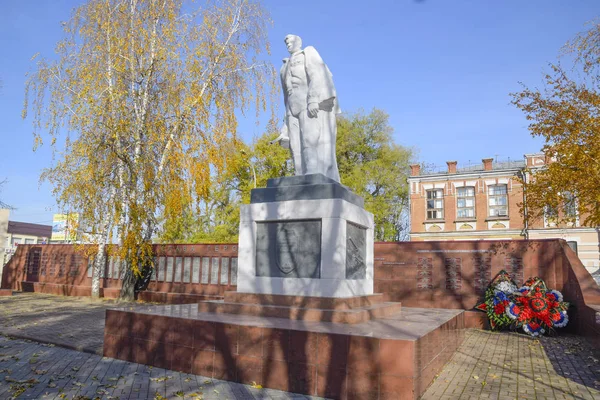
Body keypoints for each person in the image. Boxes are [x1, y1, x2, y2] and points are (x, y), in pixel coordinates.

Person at [272, 34, 341, 182]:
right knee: (295, 144)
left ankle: (312, 171)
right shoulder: (284, 66)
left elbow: (316, 75)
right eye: (286, 43)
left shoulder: (307, 54)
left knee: (309, 138)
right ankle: (299, 174)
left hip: (306, 102)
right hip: (292, 107)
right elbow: (286, 94)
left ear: (298, 42)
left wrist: (313, 99)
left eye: (290, 42)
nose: (288, 45)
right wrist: (285, 122)